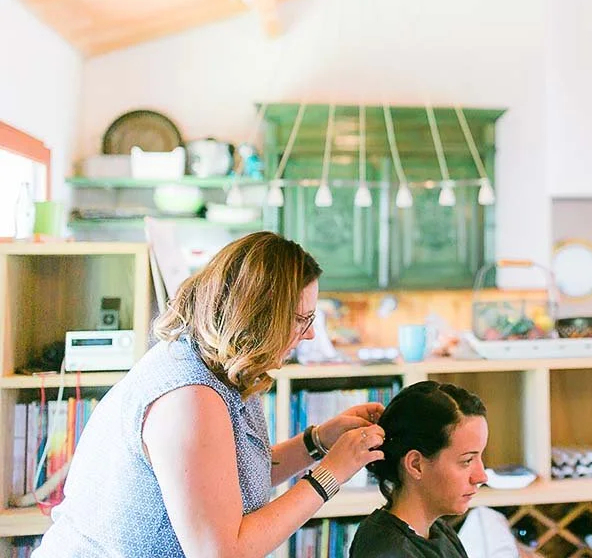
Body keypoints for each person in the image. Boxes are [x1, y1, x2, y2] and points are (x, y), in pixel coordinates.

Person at [34, 231, 387, 557]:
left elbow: (231, 482)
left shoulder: (221, 367)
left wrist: (319, 441)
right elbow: (222, 552)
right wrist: (331, 473)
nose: (308, 335)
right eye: (302, 320)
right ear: (259, 317)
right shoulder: (188, 397)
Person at [350, 381, 489, 558]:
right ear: (416, 464)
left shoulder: (436, 530)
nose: (481, 476)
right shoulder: (390, 552)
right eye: (467, 460)